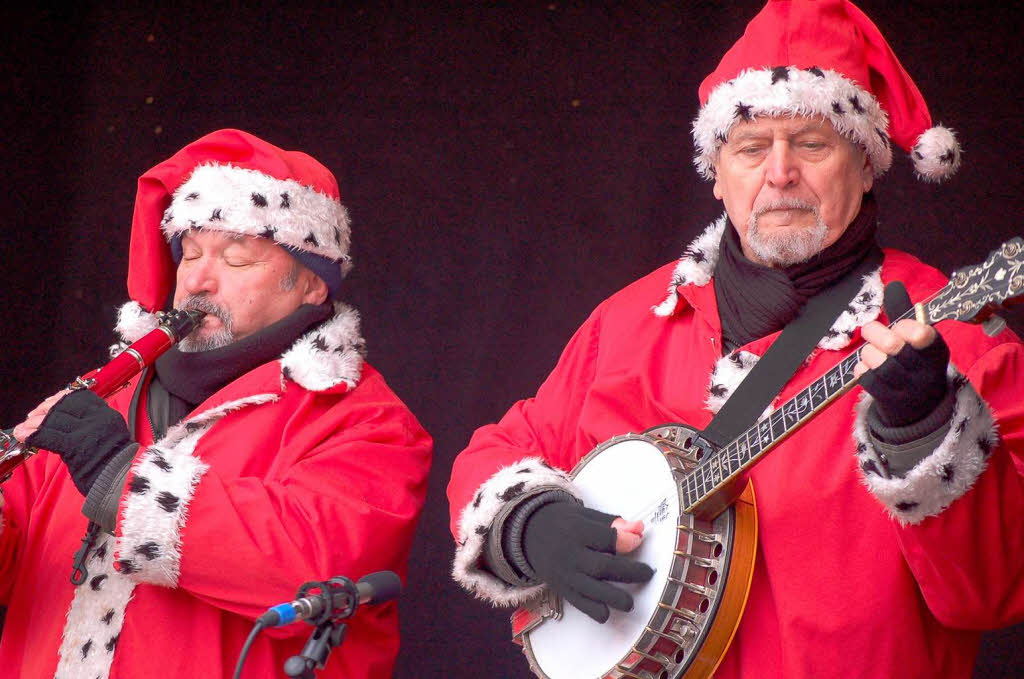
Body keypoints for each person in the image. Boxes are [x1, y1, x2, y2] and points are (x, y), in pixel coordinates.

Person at [446, 1, 1023, 677]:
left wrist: (928, 430)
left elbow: (998, 589)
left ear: (866, 165)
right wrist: (529, 525)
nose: (779, 173)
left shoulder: (949, 338)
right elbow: (502, 450)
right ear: (718, 175)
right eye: (751, 147)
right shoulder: (631, 321)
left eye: (812, 143)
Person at [0, 129, 432, 679]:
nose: (199, 279)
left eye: (236, 258)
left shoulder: (368, 423)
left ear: (311, 285)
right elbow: (18, 562)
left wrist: (118, 475)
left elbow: (316, 570)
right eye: (192, 253)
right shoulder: (107, 394)